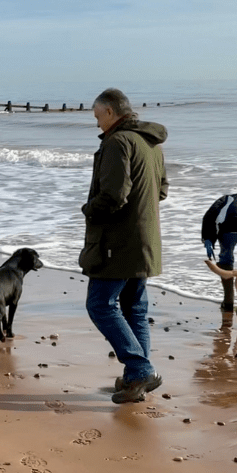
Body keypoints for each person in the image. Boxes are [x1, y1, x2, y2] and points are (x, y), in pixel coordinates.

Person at [80, 88, 169, 404]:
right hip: (145, 240)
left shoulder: (118, 142)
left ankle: (140, 368)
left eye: (97, 118)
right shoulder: (151, 145)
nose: (97, 125)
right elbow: (161, 192)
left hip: (116, 243)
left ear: (108, 112)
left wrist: (88, 209)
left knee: (100, 305)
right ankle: (135, 379)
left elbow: (114, 196)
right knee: (134, 307)